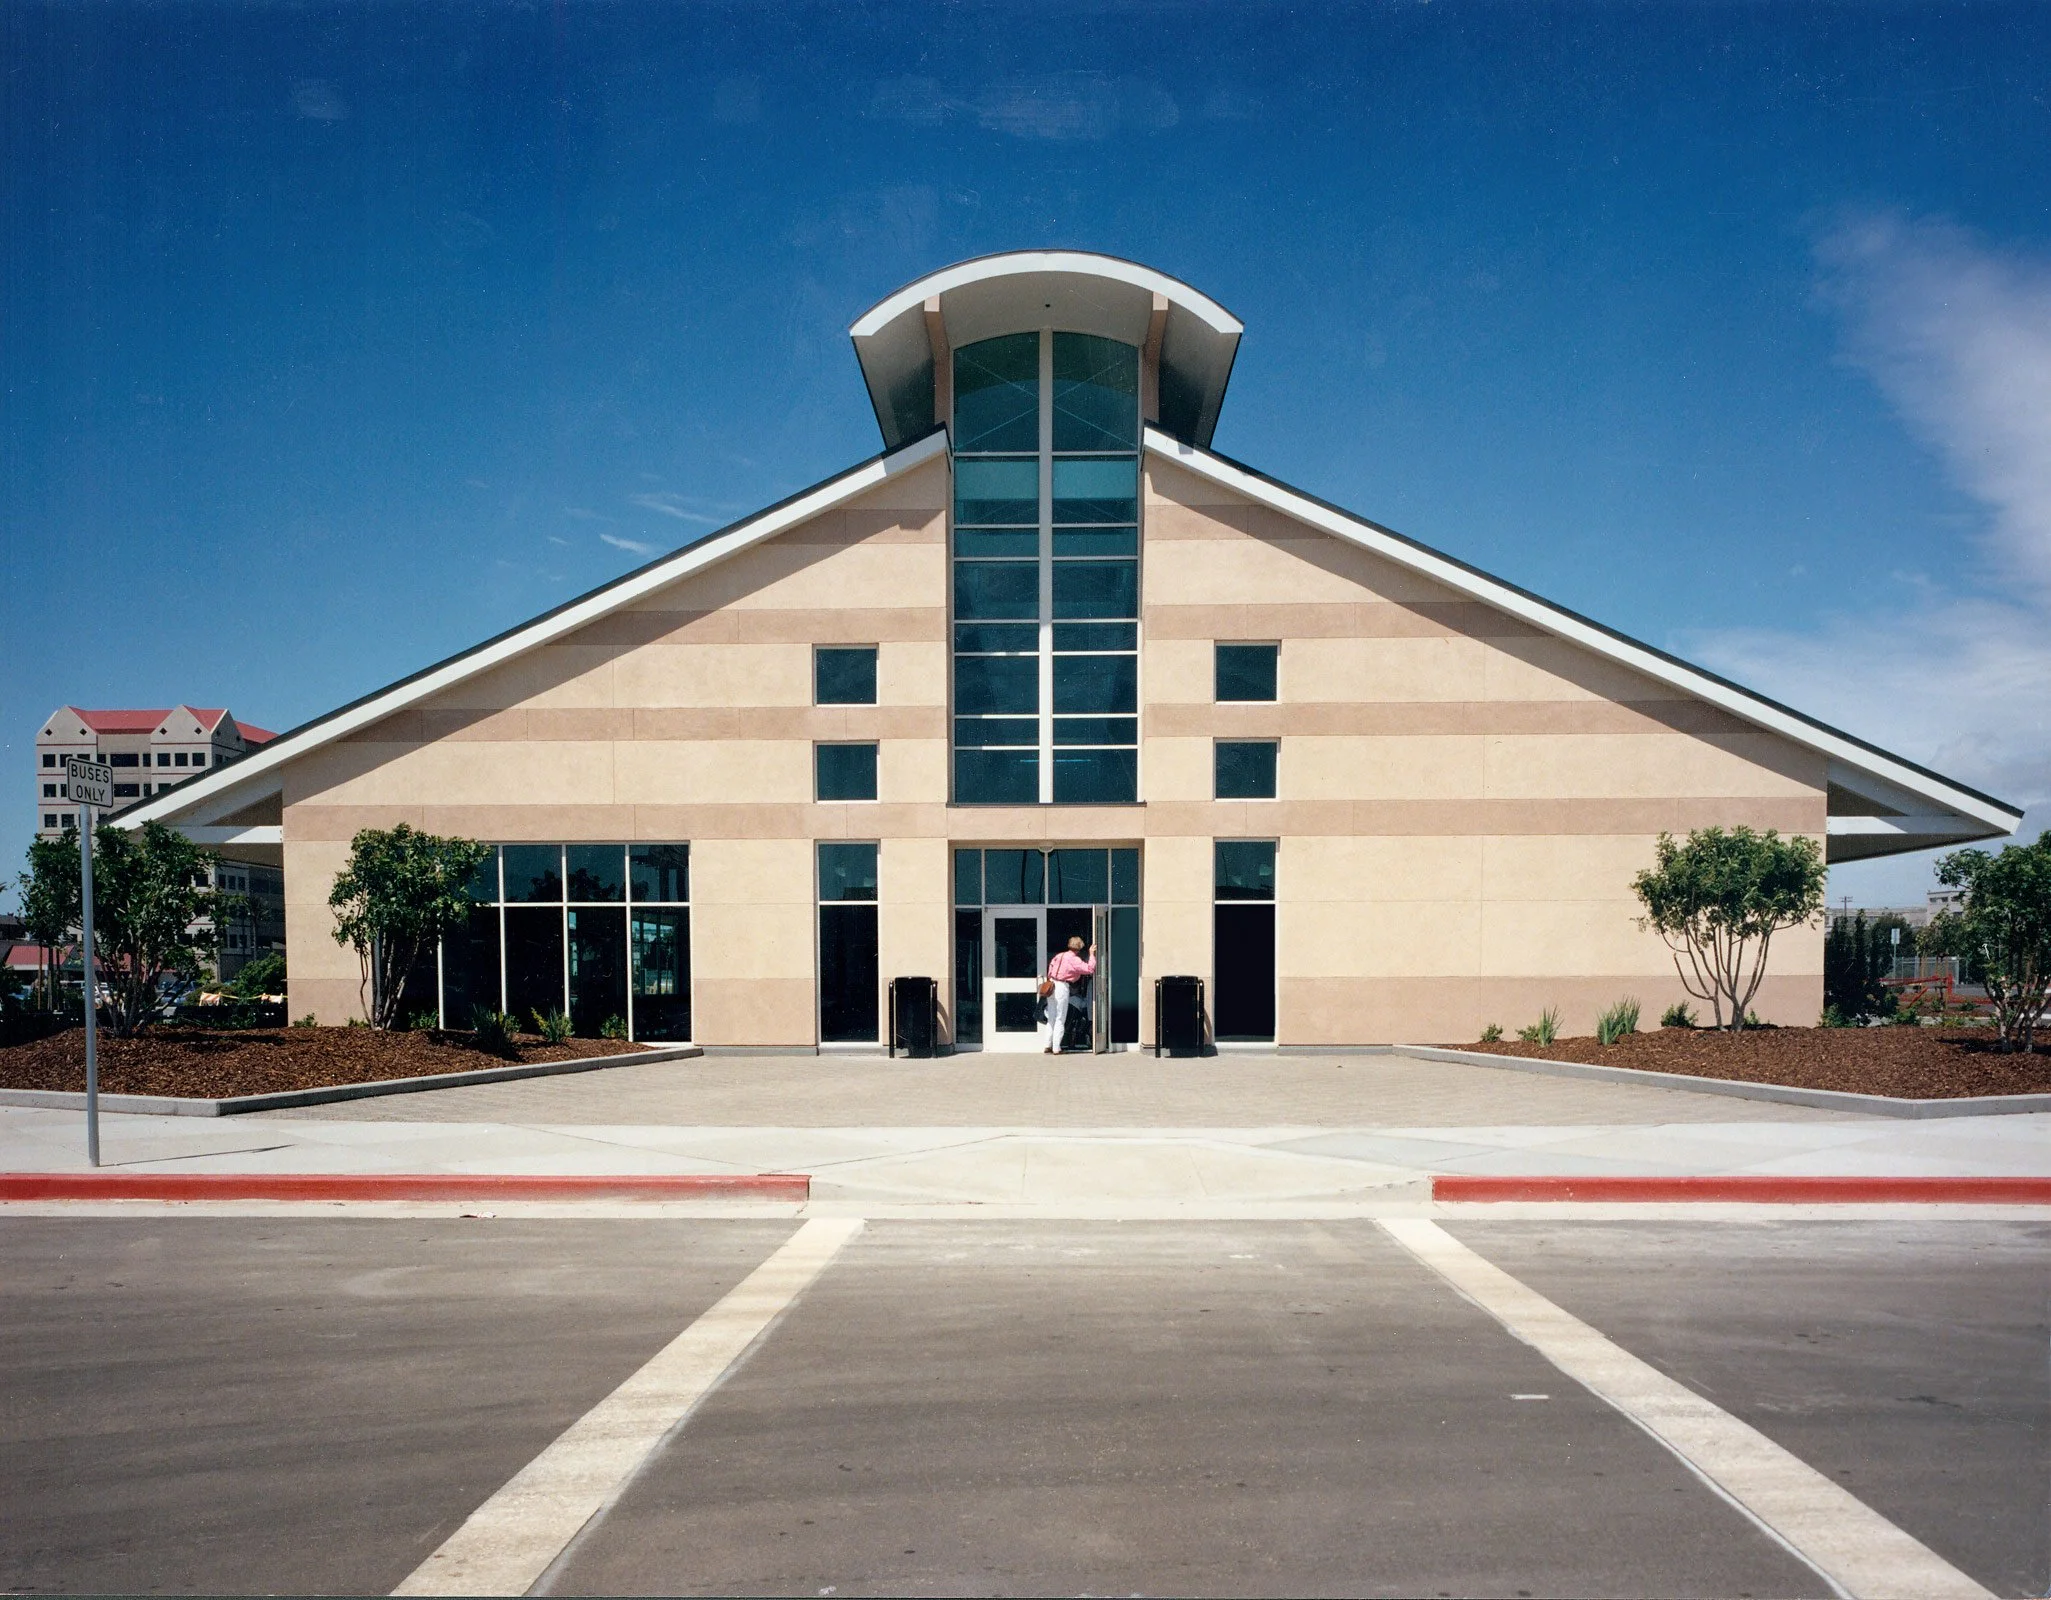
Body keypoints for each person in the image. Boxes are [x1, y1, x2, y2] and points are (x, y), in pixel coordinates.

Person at [1043, 935, 1097, 1054]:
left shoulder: (1059, 955)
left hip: (1051, 985)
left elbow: (1050, 970)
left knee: (1051, 1016)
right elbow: (1089, 969)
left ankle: (1047, 1044)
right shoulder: (1074, 959)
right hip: (1062, 986)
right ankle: (1056, 1048)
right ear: (1079, 947)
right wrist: (1091, 955)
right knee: (1060, 1018)